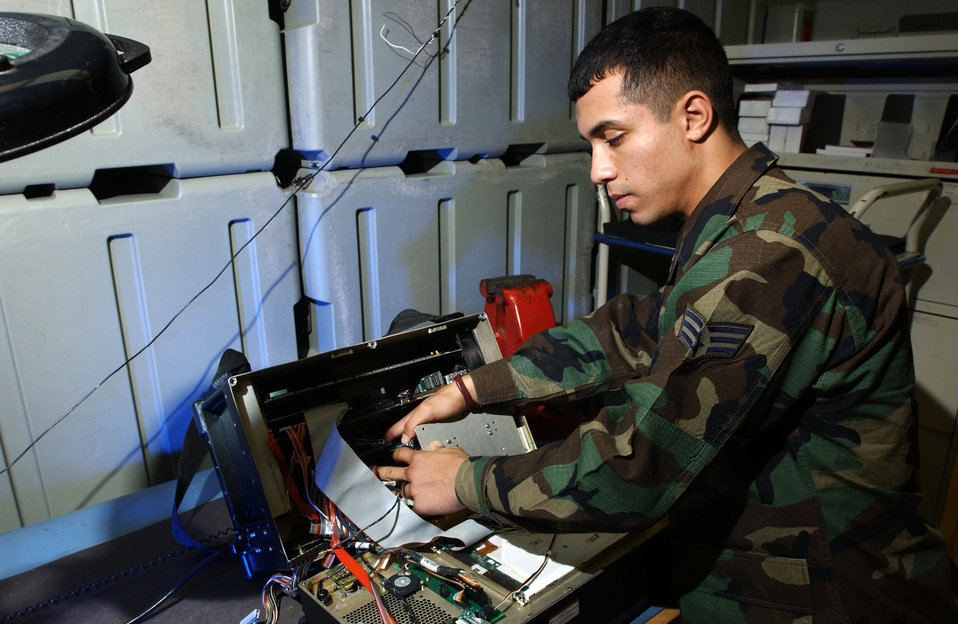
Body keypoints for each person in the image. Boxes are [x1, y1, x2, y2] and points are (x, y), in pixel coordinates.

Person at [378, 7, 958, 622]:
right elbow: (638, 329)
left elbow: (637, 464)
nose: (600, 170)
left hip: (824, 599)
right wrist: (476, 386)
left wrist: (465, 481)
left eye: (614, 137)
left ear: (694, 116)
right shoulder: (751, 221)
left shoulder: (767, 257)